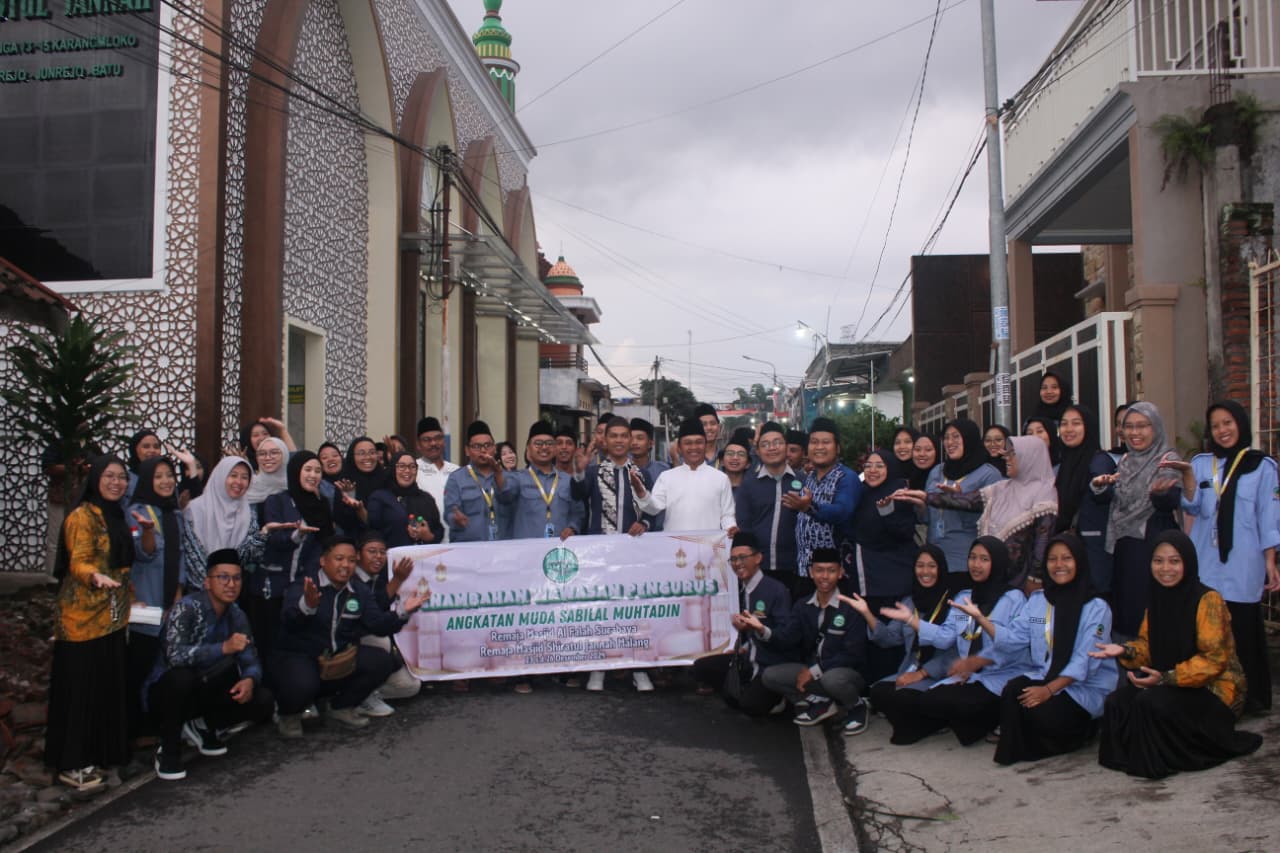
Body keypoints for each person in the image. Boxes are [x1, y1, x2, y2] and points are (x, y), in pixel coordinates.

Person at [1092, 530, 1263, 778]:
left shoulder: (1208, 599)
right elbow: (1148, 647)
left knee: (1150, 703)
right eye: (1158, 561)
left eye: (1174, 561)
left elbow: (1213, 661)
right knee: (1118, 702)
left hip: (1213, 690)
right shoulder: (1157, 599)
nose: (1165, 569)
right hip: (1172, 682)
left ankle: (1161, 760)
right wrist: (1124, 650)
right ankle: (1129, 759)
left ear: (1188, 562)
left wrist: (1165, 678)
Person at [1158, 400, 1280, 713]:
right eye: (1216, 426)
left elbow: (1269, 517)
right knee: (1204, 628)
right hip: (1205, 559)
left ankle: (1251, 698)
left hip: (1243, 559)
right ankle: (1209, 694)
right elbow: (1193, 506)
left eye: (1228, 423)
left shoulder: (1261, 466)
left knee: (1242, 630)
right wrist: (1186, 478)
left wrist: (1270, 560)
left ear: (1240, 423)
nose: (1222, 430)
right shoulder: (1200, 463)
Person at [273, 536, 427, 738]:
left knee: (381, 661)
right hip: (303, 657)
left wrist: (403, 611)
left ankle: (340, 707)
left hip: (337, 658)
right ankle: (288, 714)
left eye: (351, 560)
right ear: (323, 561)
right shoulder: (306, 585)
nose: (345, 565)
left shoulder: (359, 591)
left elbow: (378, 624)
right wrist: (307, 607)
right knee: (302, 683)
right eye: (339, 558)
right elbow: (289, 621)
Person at [143, 551, 274, 780]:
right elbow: (174, 655)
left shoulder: (237, 615)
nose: (231, 584)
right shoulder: (186, 608)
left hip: (206, 689)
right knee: (181, 678)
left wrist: (250, 679)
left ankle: (205, 724)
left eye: (236, 578)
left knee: (262, 699)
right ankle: (169, 748)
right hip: (167, 694)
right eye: (223, 577)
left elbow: (251, 658)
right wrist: (222, 648)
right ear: (207, 582)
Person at [45, 456, 134, 791]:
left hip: (112, 616)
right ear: (95, 479)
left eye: (121, 477)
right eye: (109, 476)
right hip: (81, 620)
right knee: (80, 691)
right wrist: (95, 577)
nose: (116, 482)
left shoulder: (116, 514)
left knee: (104, 688)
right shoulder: (82, 516)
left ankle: (102, 752)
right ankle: (72, 763)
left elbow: (123, 563)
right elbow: (78, 561)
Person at [887, 538, 1029, 745]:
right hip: (968, 675)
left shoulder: (1014, 598)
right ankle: (974, 725)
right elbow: (945, 638)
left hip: (1000, 673)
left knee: (963, 705)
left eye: (983, 559)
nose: (976, 564)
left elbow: (1016, 645)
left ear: (997, 563)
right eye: (972, 558)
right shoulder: (964, 596)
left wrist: (977, 658)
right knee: (930, 700)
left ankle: (997, 717)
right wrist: (911, 620)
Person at [991, 534, 1117, 765]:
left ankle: (1081, 732)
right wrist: (981, 619)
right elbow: (1015, 637)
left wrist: (1048, 690)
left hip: (1082, 687)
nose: (1059, 565)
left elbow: (1083, 662)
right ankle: (1025, 746)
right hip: (1046, 674)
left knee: (1042, 713)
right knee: (1012, 692)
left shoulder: (1097, 607)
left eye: (1066, 558)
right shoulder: (1040, 600)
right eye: (1052, 559)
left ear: (1079, 561)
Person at [902, 435, 1057, 591]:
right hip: (992, 578)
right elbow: (968, 501)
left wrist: (1035, 578)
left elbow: (1042, 541)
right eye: (1006, 454)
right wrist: (927, 496)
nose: (1006, 459)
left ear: (1030, 458)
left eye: (1012, 454)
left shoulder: (1044, 494)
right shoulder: (1002, 488)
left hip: (1022, 583)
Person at [844, 545, 957, 744]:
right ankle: (927, 720)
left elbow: (954, 651)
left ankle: (935, 721)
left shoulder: (953, 603)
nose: (925, 572)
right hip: (910, 668)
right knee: (878, 692)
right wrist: (867, 613)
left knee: (903, 701)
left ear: (941, 569)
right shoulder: (910, 601)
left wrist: (921, 674)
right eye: (920, 566)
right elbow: (888, 638)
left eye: (931, 566)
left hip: (940, 674)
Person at [571, 416, 652, 692]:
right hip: (600, 552)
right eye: (613, 435)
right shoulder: (594, 472)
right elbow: (578, 495)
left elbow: (653, 509)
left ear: (631, 441)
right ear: (605, 440)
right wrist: (580, 471)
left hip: (633, 553)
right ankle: (598, 668)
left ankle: (639, 668)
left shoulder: (642, 474)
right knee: (601, 612)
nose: (618, 440)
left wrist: (645, 524)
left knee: (634, 610)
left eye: (623, 436)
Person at [1091, 402, 1182, 637]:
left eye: (1142, 426)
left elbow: (1169, 499)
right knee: (1128, 617)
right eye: (1128, 426)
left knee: (1151, 617)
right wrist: (1102, 487)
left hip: (1152, 543)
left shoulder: (1167, 459)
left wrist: (1162, 493)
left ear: (1156, 428)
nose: (1134, 432)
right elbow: (1117, 500)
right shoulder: (1125, 462)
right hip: (1124, 546)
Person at [760, 548, 870, 733]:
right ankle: (822, 702)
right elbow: (788, 638)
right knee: (770, 676)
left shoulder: (850, 607)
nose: (825, 576)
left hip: (846, 674)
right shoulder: (803, 605)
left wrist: (815, 671)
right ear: (811, 572)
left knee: (832, 680)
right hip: (815, 671)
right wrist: (762, 630)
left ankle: (856, 706)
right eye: (819, 570)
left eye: (831, 570)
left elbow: (854, 654)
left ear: (840, 573)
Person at [694, 531, 792, 715]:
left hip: (769, 663)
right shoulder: (739, 590)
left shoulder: (776, 590)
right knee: (701, 668)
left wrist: (760, 629)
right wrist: (743, 644)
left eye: (743, 557)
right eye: (733, 560)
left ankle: (781, 696)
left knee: (750, 706)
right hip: (747, 658)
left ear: (758, 558)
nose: (738, 564)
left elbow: (786, 638)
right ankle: (744, 688)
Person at [126, 457, 188, 742]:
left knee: (165, 666)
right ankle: (132, 729)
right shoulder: (137, 512)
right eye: (158, 476)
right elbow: (144, 552)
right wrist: (148, 530)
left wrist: (177, 596)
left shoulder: (176, 514)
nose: (166, 481)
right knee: (140, 665)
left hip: (170, 603)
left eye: (169, 475)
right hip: (145, 604)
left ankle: (156, 725)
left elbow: (181, 557)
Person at [257, 451, 333, 671]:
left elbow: (324, 545)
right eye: (307, 470)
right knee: (271, 644)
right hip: (274, 586)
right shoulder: (277, 500)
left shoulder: (323, 504)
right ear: (295, 472)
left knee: (300, 642)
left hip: (304, 585)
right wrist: (297, 535)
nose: (313, 475)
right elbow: (272, 539)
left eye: (318, 471)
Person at [848, 449, 919, 681]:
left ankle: (893, 685)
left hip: (893, 580)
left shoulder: (899, 493)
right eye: (868, 466)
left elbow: (905, 532)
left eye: (879, 465)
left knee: (893, 638)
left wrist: (887, 512)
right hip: (868, 578)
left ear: (890, 468)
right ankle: (874, 688)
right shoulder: (862, 494)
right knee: (871, 637)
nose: (873, 470)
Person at [921, 419, 1004, 593]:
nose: (950, 442)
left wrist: (959, 499)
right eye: (947, 437)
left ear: (970, 438)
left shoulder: (989, 474)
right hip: (934, 562)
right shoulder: (937, 472)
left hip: (967, 562)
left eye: (956, 437)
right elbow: (926, 517)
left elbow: (996, 518)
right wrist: (917, 504)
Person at [784, 418, 860, 595]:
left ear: (838, 448)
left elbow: (843, 511)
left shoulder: (846, 478)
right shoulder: (808, 479)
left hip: (836, 576)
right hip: (805, 572)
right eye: (814, 442)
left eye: (826, 442)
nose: (819, 447)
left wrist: (809, 507)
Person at [351, 534, 423, 716]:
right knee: (381, 641)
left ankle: (361, 696)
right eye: (372, 552)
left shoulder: (377, 578)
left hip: (370, 647)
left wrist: (398, 579)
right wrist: (403, 611)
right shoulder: (350, 578)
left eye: (382, 552)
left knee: (411, 687)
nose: (378, 557)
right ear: (358, 555)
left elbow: (379, 603)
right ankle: (351, 698)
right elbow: (375, 621)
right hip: (350, 646)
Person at [632, 417, 737, 534]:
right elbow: (653, 509)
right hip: (675, 549)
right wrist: (641, 493)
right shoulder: (667, 477)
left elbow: (727, 516)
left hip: (709, 548)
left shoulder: (720, 478)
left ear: (705, 445)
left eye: (699, 442)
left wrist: (731, 528)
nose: (694, 447)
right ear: (680, 448)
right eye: (688, 443)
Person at [181, 456, 270, 590]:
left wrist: (263, 534)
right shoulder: (194, 509)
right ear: (220, 476)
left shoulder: (247, 512)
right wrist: (214, 587)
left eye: (244, 477)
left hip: (232, 592)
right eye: (233, 475)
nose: (238, 482)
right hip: (199, 593)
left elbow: (245, 556)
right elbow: (192, 555)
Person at [1056, 405, 1118, 596]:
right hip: (1070, 546)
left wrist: (1099, 487)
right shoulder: (1065, 462)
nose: (1068, 429)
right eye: (1064, 424)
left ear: (1088, 427)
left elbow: (1105, 492)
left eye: (1076, 423)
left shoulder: (1099, 460)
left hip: (1094, 548)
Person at [735, 421, 801, 596]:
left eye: (777, 443)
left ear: (786, 447)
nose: (772, 448)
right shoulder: (749, 484)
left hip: (795, 569)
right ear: (757, 451)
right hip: (759, 569)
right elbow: (744, 525)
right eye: (765, 444)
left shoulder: (803, 481)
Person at [443, 421, 516, 543]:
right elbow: (450, 512)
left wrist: (498, 473)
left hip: (503, 549)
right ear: (467, 450)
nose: (483, 450)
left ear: (494, 449)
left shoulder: (509, 477)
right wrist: (455, 518)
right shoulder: (456, 479)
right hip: (469, 550)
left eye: (487, 445)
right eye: (477, 447)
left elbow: (513, 503)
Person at [366, 451, 444, 550]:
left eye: (412, 466)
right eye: (401, 466)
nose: (407, 471)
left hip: (423, 559)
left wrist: (428, 536)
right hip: (391, 559)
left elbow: (439, 530)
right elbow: (372, 531)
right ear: (393, 469)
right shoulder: (379, 497)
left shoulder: (426, 498)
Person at [333, 436, 389, 537]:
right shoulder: (345, 482)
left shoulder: (385, 479)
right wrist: (350, 499)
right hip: (354, 542)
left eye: (372, 452)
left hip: (385, 540)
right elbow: (342, 521)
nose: (368, 457)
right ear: (352, 457)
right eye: (361, 453)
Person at [413, 417, 459, 541]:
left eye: (438, 438)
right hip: (428, 542)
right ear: (418, 444)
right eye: (427, 440)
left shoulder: (457, 471)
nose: (433, 443)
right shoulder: (413, 470)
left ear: (444, 441)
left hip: (457, 541)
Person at [630, 418, 668, 531]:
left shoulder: (664, 471)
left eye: (640, 438)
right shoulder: (621, 470)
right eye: (631, 438)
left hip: (658, 534)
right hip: (628, 533)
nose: (634, 442)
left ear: (651, 443)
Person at [244, 436, 289, 508]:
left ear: (284, 455)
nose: (268, 458)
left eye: (274, 453)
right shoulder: (247, 485)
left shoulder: (293, 485)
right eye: (262, 454)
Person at [694, 403, 723, 467]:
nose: (709, 428)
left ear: (719, 427)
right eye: (703, 424)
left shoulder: (726, 458)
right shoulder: (684, 457)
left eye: (713, 423)